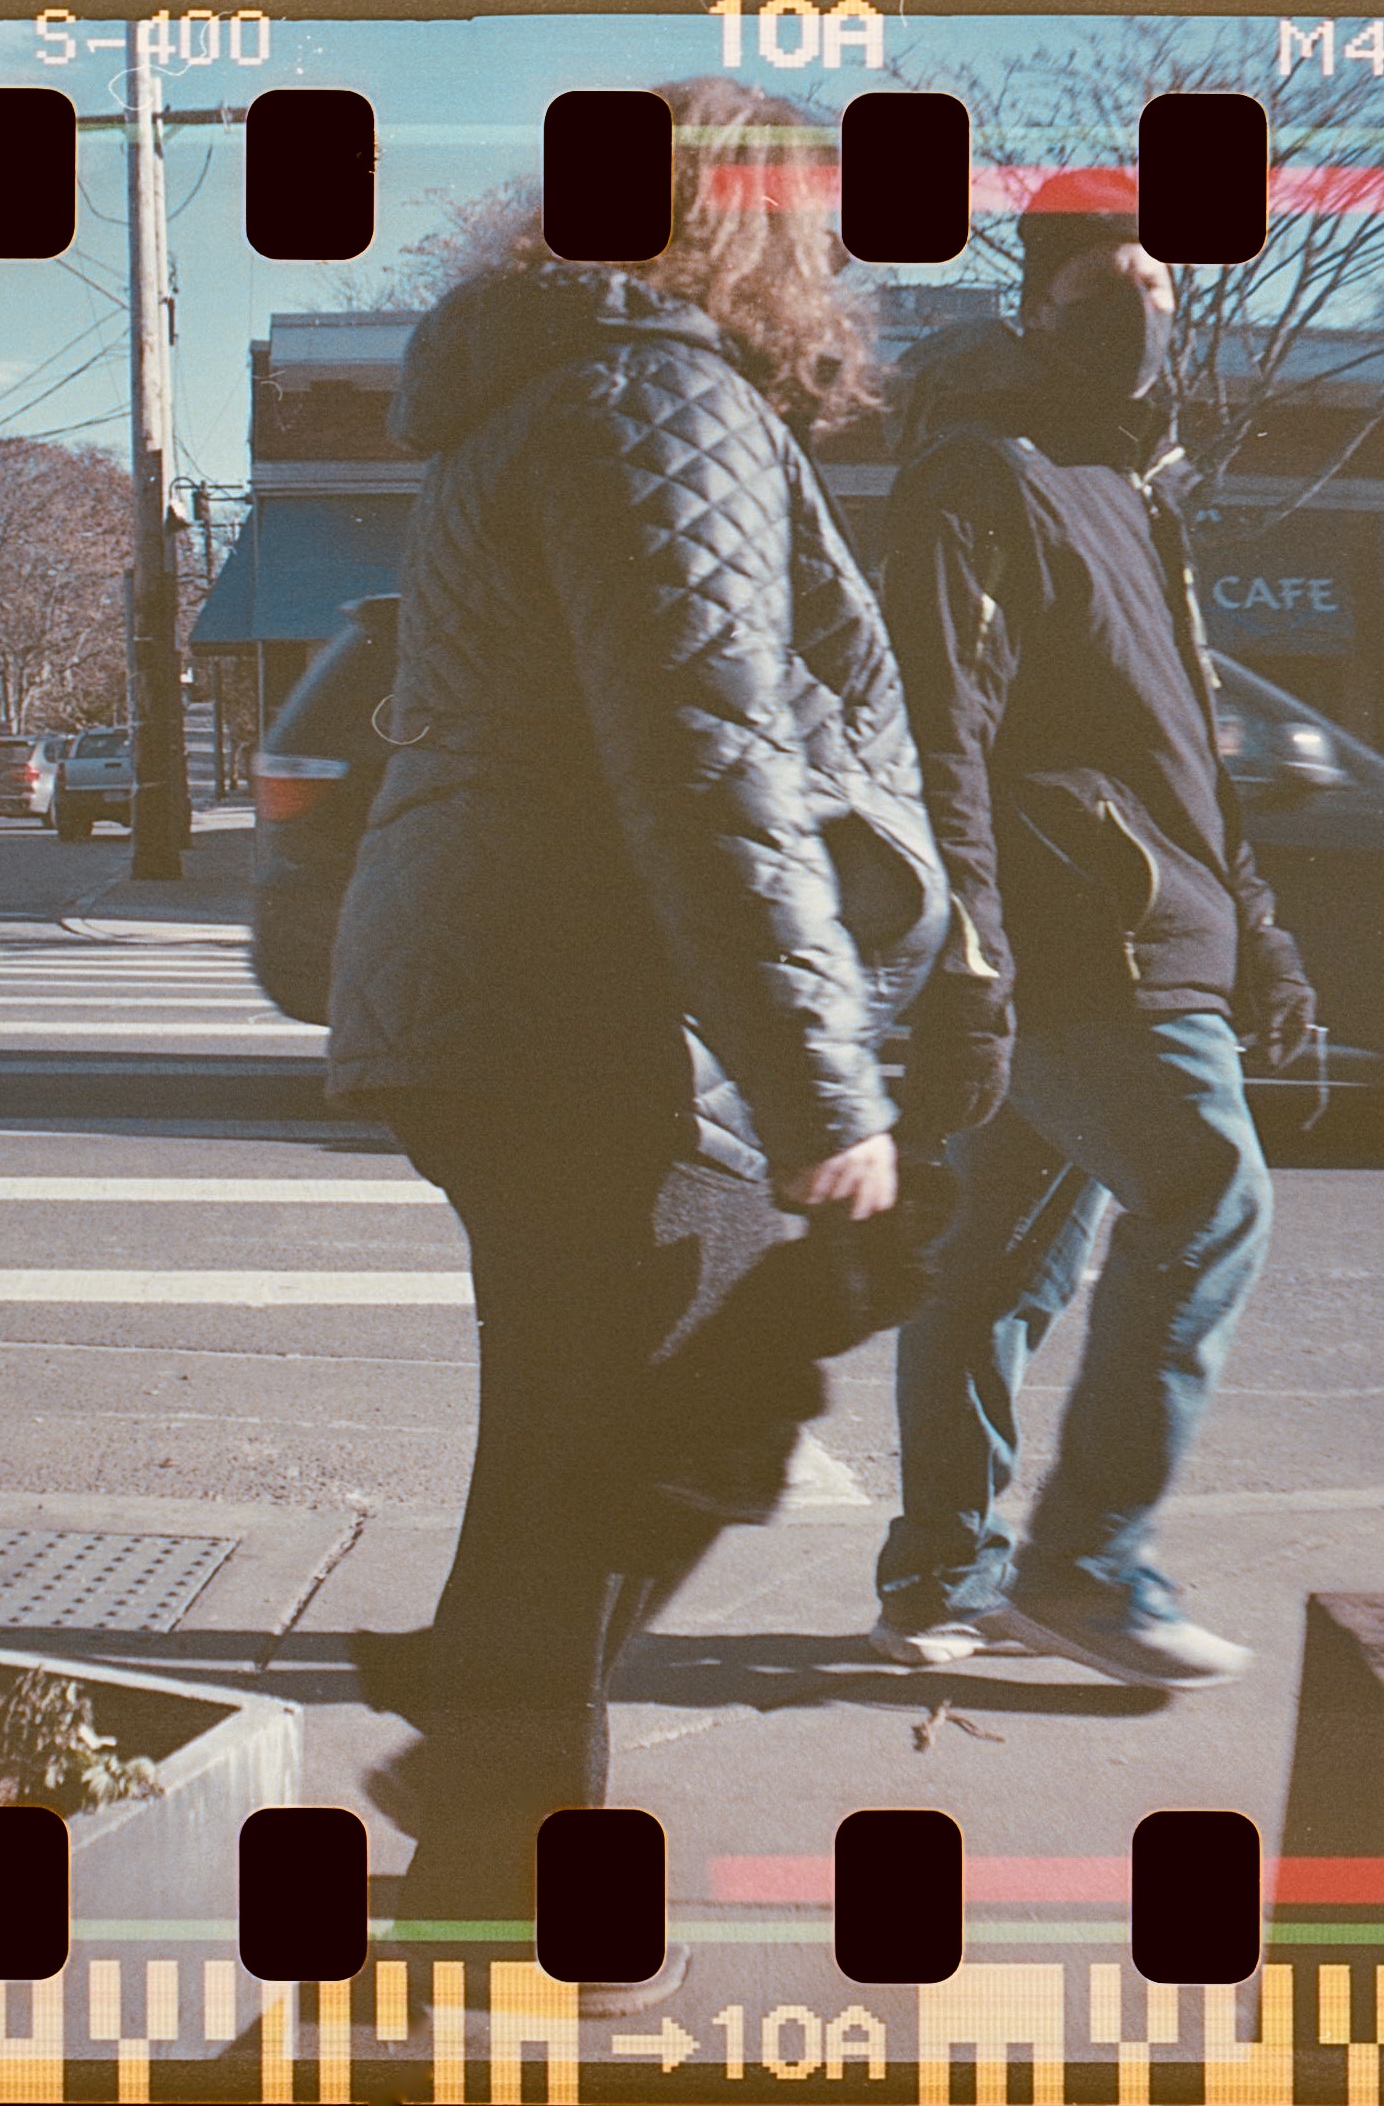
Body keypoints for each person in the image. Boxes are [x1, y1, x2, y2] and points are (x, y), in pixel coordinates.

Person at [324, 77, 954, 1994]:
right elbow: (707, 762)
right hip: (593, 1002)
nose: (838, 265)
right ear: (754, 223)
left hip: (508, 990)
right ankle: (500, 1880)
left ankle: (475, 1813)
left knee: (581, 1438)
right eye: (822, 223)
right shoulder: (651, 395)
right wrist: (817, 1085)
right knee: (673, 1414)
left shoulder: (544, 383)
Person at [864, 179, 1319, 1690]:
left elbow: (1183, 749)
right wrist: (970, 965)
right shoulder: (971, 478)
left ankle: (940, 1576)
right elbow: (935, 738)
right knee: (1207, 1191)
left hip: (1145, 928)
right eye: (1116, 282)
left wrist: (1260, 940)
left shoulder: (1139, 497)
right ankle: (1085, 1564)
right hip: (1077, 946)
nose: (1150, 310)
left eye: (1168, 287)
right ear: (1041, 303)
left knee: (988, 1274)